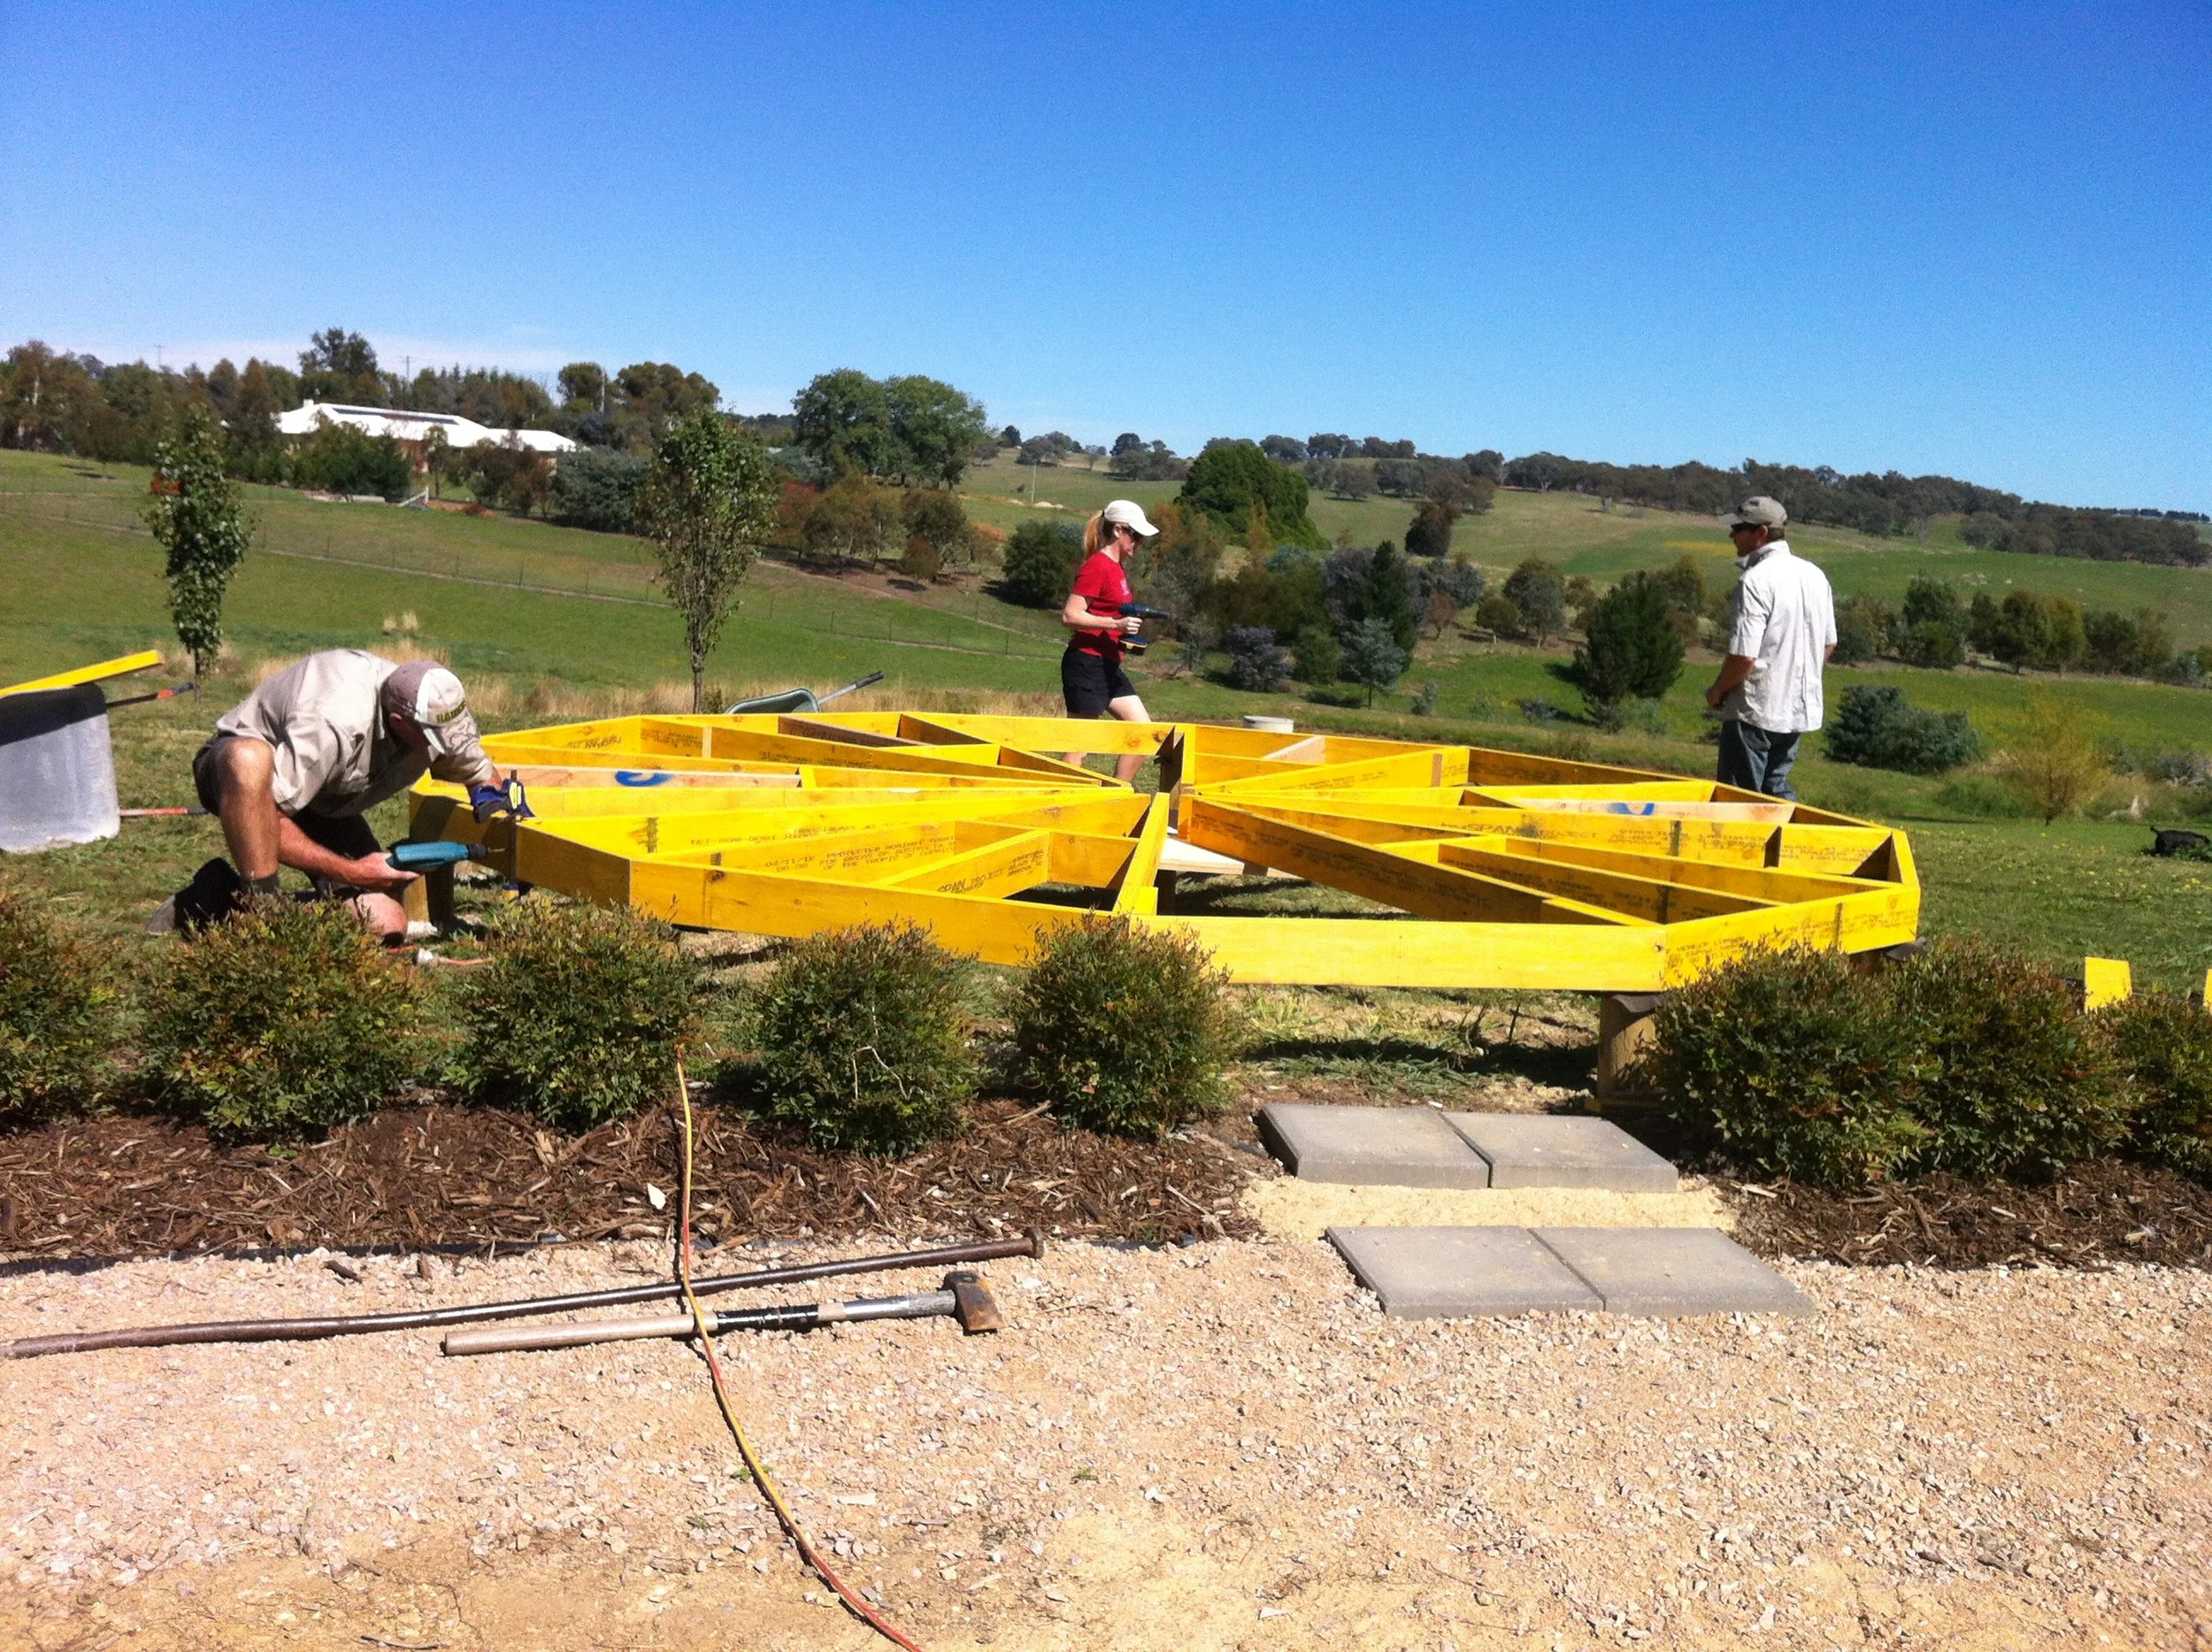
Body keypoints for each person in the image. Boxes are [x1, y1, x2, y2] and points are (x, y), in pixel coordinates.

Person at [157, 651, 508, 941]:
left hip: (324, 800)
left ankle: (217, 903)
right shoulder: (332, 721)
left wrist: (493, 804)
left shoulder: (436, 710)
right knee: (248, 759)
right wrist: (354, 872)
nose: (443, 748)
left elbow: (478, 771)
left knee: (385, 923)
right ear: (399, 722)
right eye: (434, 740)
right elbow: (271, 818)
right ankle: (259, 909)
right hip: (245, 784)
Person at [1704, 496, 1835, 800]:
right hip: (1797, 711)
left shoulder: (1755, 580)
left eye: (1739, 528)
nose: (1731, 535)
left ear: (1760, 533)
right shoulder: (1815, 575)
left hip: (1755, 710)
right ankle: (1786, 845)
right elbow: (1829, 644)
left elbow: (1743, 656)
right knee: (1775, 790)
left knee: (1739, 800)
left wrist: (1718, 691)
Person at [1060, 498, 1163, 783]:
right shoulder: (1098, 566)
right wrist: (1115, 624)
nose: (1139, 543)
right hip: (1086, 662)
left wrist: (1124, 636)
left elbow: (1106, 611)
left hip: (1107, 664)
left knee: (1143, 732)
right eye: (1137, 536)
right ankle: (1056, 805)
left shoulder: (1117, 569)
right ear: (1119, 531)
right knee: (1079, 747)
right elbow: (1070, 615)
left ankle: (1115, 794)